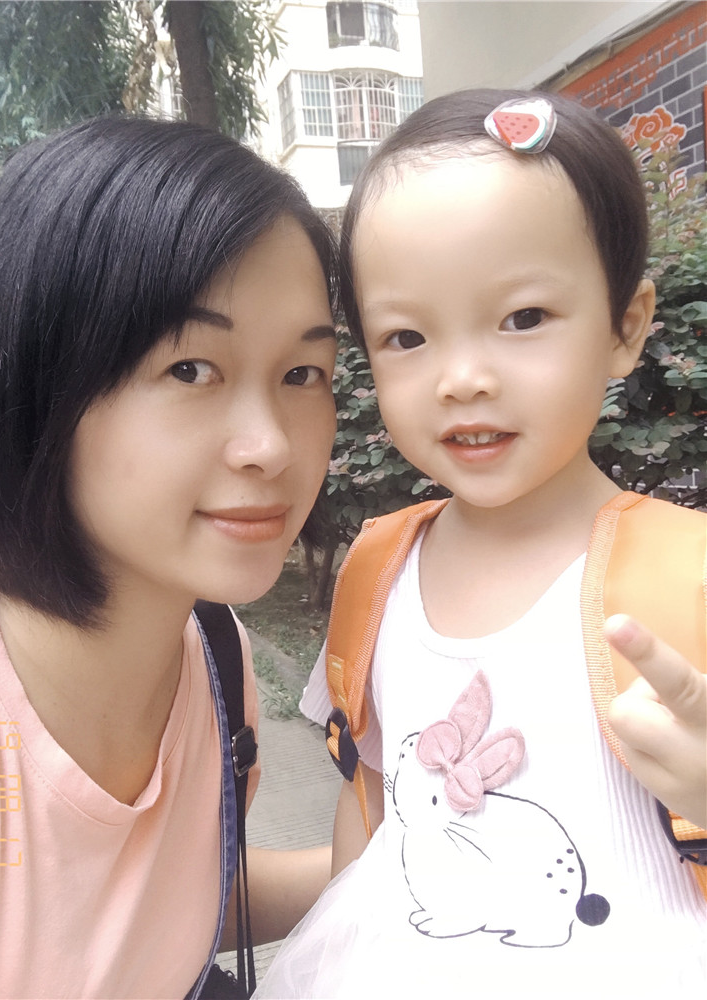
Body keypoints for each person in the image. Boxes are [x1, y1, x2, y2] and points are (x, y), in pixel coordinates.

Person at [255, 89, 707, 998]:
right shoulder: (378, 570)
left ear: (626, 327)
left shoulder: (687, 571)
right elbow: (368, 800)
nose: (462, 378)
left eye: (524, 318)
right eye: (407, 336)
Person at [0, 116, 340, 999]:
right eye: (191, 369)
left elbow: (166, 902)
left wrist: (411, 854)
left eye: (302, 373)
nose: (271, 446)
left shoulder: (216, 653)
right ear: (38, 380)